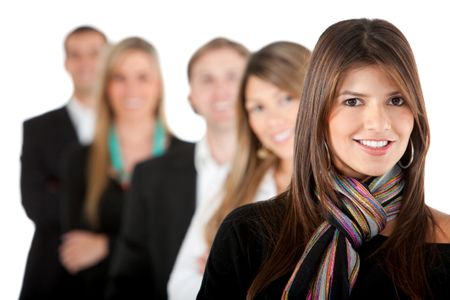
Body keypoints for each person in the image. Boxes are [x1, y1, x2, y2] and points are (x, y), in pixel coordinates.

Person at [197, 18, 450, 300]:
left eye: (396, 100)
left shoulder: (445, 238)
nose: (379, 123)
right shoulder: (246, 233)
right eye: (353, 101)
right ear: (318, 112)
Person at [107, 37, 249, 300]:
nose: (220, 91)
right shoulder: (150, 176)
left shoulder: (286, 172)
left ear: (251, 88)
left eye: (232, 77)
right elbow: (128, 281)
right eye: (207, 79)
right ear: (191, 98)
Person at [168, 41, 311, 300]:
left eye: (286, 99)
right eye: (257, 107)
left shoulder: (353, 186)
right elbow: (180, 287)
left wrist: (233, 274)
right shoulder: (231, 181)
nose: (273, 120)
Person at [58, 36, 184, 299]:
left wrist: (107, 246)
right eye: (119, 78)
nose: (131, 89)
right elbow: (77, 254)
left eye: (142, 77)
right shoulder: (79, 160)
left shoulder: (188, 158)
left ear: (158, 85)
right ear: (106, 86)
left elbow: (184, 251)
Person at [19, 25, 107, 300]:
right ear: (66, 63)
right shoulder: (38, 128)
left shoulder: (132, 129)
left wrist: (64, 190)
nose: (85, 63)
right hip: (52, 272)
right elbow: (37, 204)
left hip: (114, 273)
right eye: (76, 55)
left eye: (94, 54)